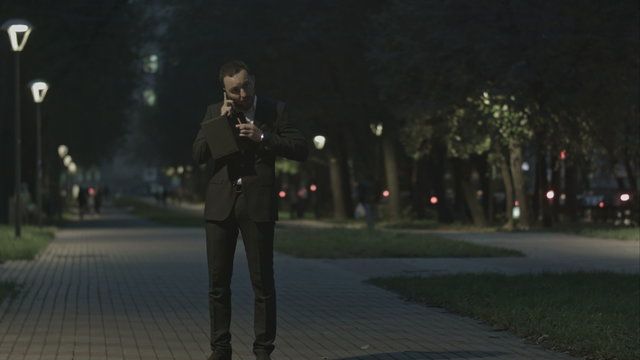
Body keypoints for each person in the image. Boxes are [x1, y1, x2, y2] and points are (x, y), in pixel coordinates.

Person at [192, 60, 308, 360]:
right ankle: (220, 349)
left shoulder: (274, 110)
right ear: (225, 91)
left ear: (253, 81)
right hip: (221, 205)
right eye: (234, 90)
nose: (242, 93)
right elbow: (198, 155)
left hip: (258, 203)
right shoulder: (213, 111)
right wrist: (219, 122)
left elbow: (300, 148)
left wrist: (263, 137)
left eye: (246, 86)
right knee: (218, 283)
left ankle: (263, 351)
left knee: (263, 282)